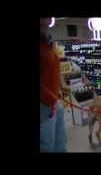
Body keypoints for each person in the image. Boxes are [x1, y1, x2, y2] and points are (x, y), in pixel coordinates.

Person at [40, 18, 67, 152]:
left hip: (55, 102)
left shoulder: (49, 41)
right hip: (44, 106)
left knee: (60, 141)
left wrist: (60, 89)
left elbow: (54, 70)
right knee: (47, 145)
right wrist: (51, 99)